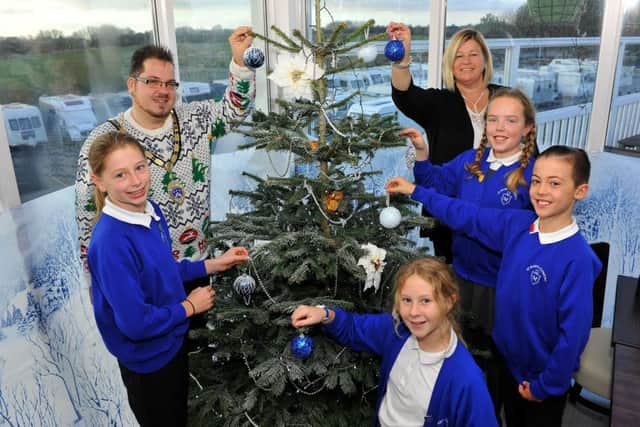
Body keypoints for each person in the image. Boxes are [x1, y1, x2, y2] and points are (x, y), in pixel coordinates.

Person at [386, 145, 602, 427]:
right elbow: (466, 214)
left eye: (555, 183)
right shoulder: (518, 225)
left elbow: (573, 336)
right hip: (507, 362)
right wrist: (416, 190)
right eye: (536, 181)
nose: (541, 190)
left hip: (541, 376)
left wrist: (545, 386)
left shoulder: (578, 260)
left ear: (580, 191)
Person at [87, 131, 249, 427]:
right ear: (100, 182)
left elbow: (162, 270)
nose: (136, 182)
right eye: (120, 175)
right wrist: (189, 307)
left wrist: (213, 265)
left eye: (140, 167)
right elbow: (135, 324)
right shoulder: (111, 243)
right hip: (149, 363)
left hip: (171, 341)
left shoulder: (150, 210)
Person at [76, 26, 256, 277]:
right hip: (145, 278)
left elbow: (235, 109)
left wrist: (240, 61)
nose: (163, 91)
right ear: (131, 84)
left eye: (170, 83)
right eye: (152, 82)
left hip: (200, 267)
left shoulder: (196, 118)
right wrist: (98, 287)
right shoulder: (104, 141)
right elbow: (88, 222)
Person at [291, 257, 498, 427]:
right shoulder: (396, 331)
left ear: (450, 301)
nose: (414, 312)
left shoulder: (466, 379)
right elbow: (354, 328)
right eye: (407, 300)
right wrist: (324, 313)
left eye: (426, 301)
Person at [386, 24, 505, 262]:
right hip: (449, 215)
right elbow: (404, 94)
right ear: (450, 63)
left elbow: (529, 151)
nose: (466, 61)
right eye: (458, 56)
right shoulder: (439, 103)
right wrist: (403, 52)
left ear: (485, 60)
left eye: (473, 54)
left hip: (499, 212)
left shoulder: (506, 98)